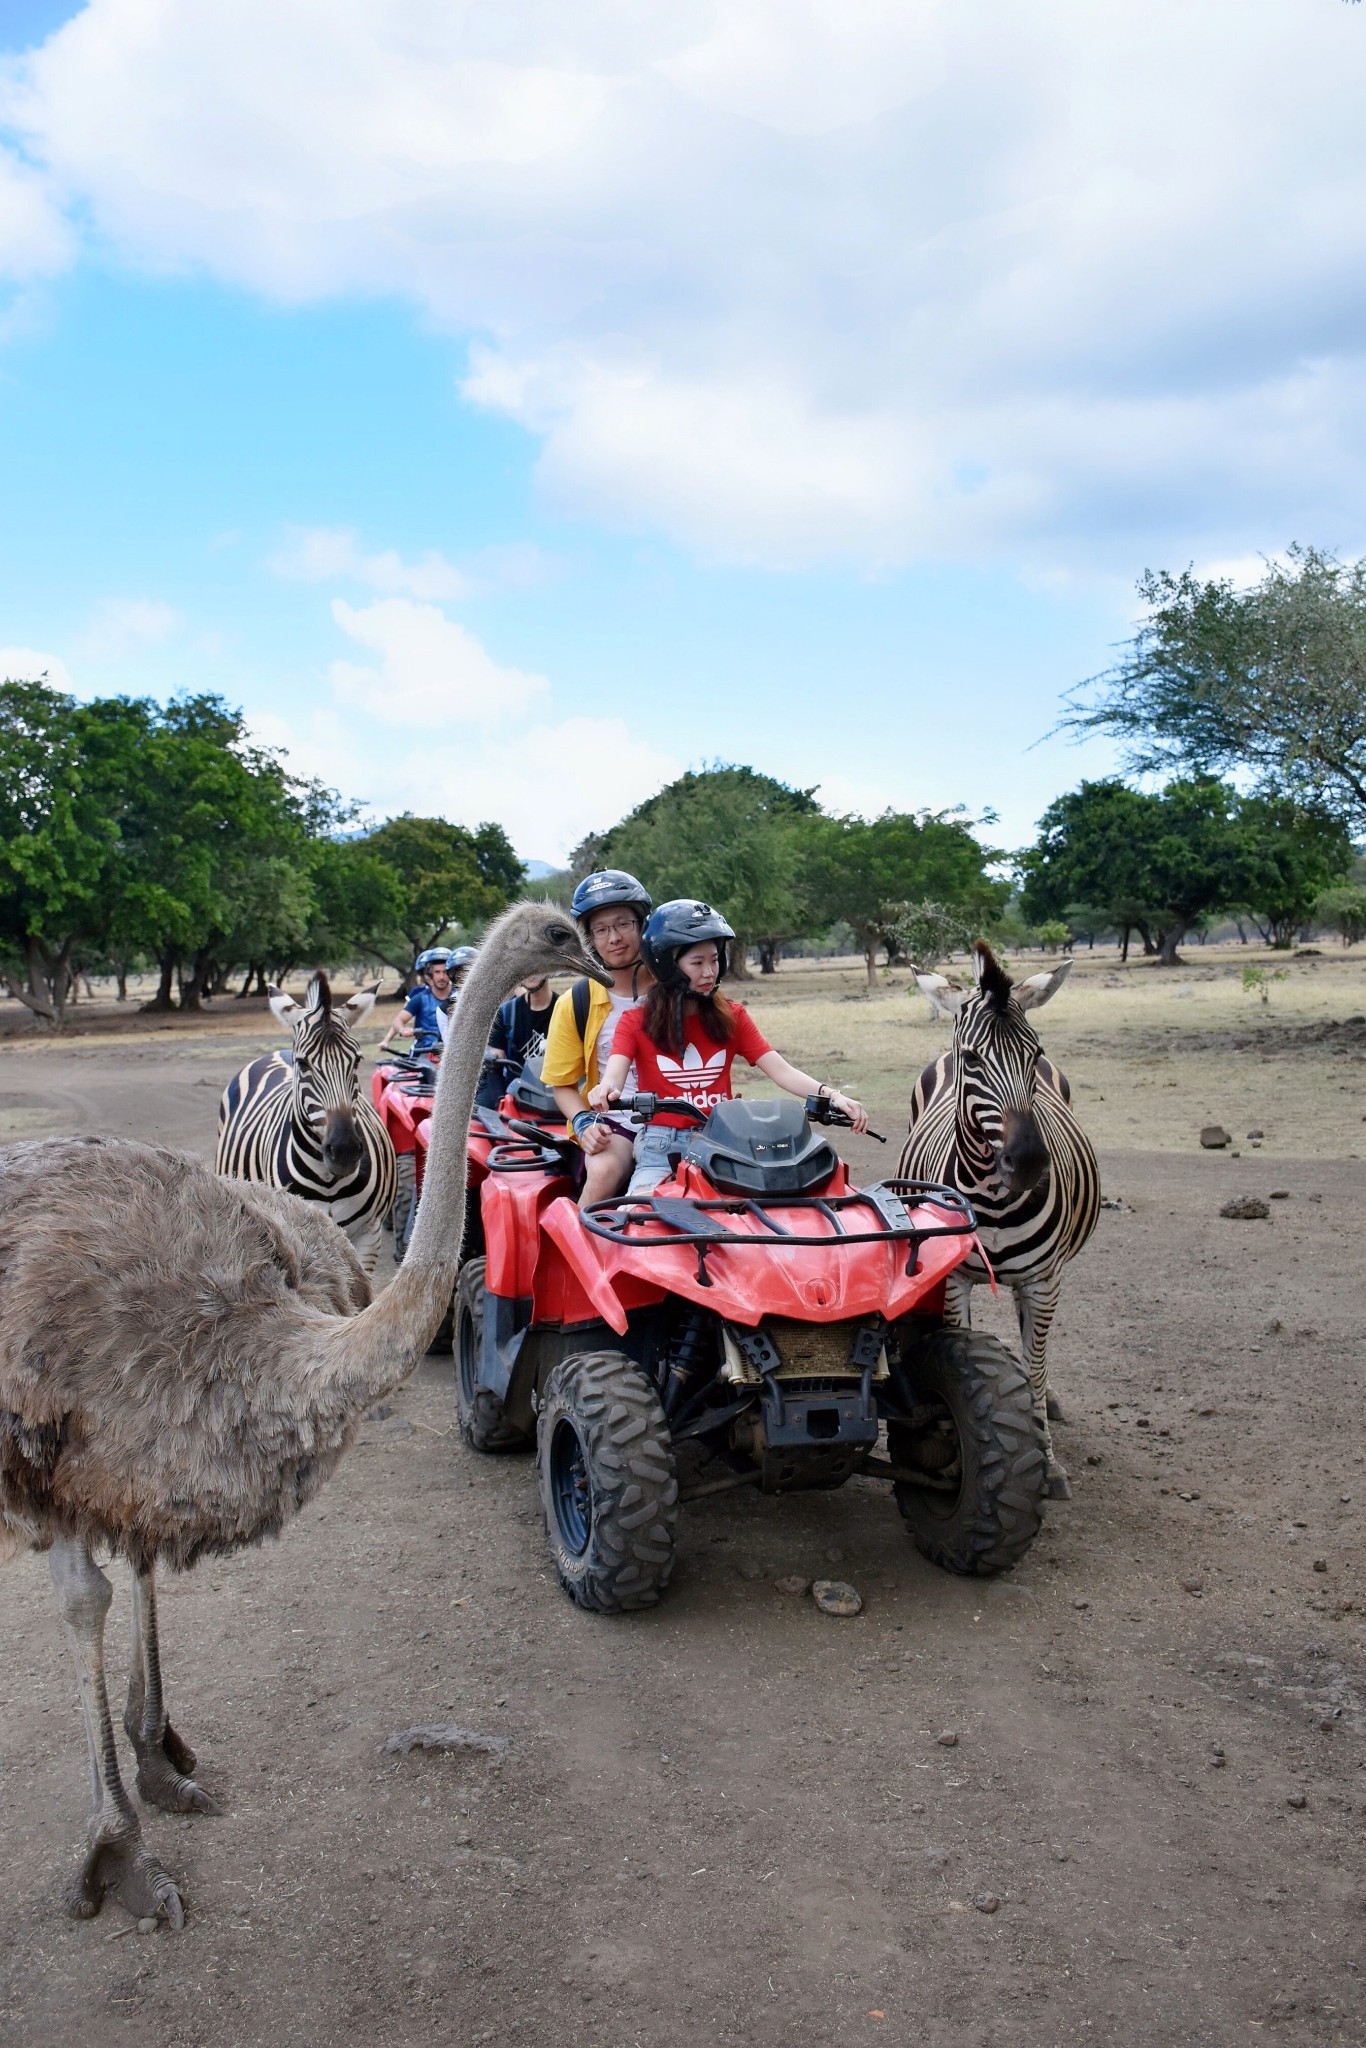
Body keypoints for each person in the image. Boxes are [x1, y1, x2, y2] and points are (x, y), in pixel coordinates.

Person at [590, 899, 868, 1196]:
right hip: (662, 1146)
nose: (709, 971)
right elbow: (614, 1076)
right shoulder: (635, 1022)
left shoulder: (732, 1016)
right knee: (639, 1216)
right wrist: (604, 1090)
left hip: (725, 1144)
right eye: (697, 963)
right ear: (667, 965)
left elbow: (781, 1071)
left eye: (714, 959)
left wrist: (834, 1096)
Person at [542, 870, 654, 1204]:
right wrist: (583, 1120)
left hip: (679, 1117)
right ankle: (574, 1252)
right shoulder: (574, 1003)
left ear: (642, 924)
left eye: (623, 924)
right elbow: (560, 1084)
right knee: (603, 1172)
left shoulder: (675, 990)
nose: (614, 938)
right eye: (601, 930)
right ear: (588, 939)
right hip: (615, 1123)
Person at [475, 971, 560, 1110]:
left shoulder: (565, 1009)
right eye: (526, 967)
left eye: (537, 966)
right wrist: (501, 1101)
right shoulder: (506, 1012)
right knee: (478, 1117)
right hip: (516, 1096)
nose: (531, 973)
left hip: (557, 1095)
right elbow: (495, 1064)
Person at [377, 948, 454, 1056]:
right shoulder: (420, 998)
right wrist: (402, 1029)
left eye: (445, 972)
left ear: (451, 973)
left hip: (454, 1054)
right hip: (424, 1053)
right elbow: (398, 1020)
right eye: (437, 972)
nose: (441, 977)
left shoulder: (459, 996)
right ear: (430, 973)